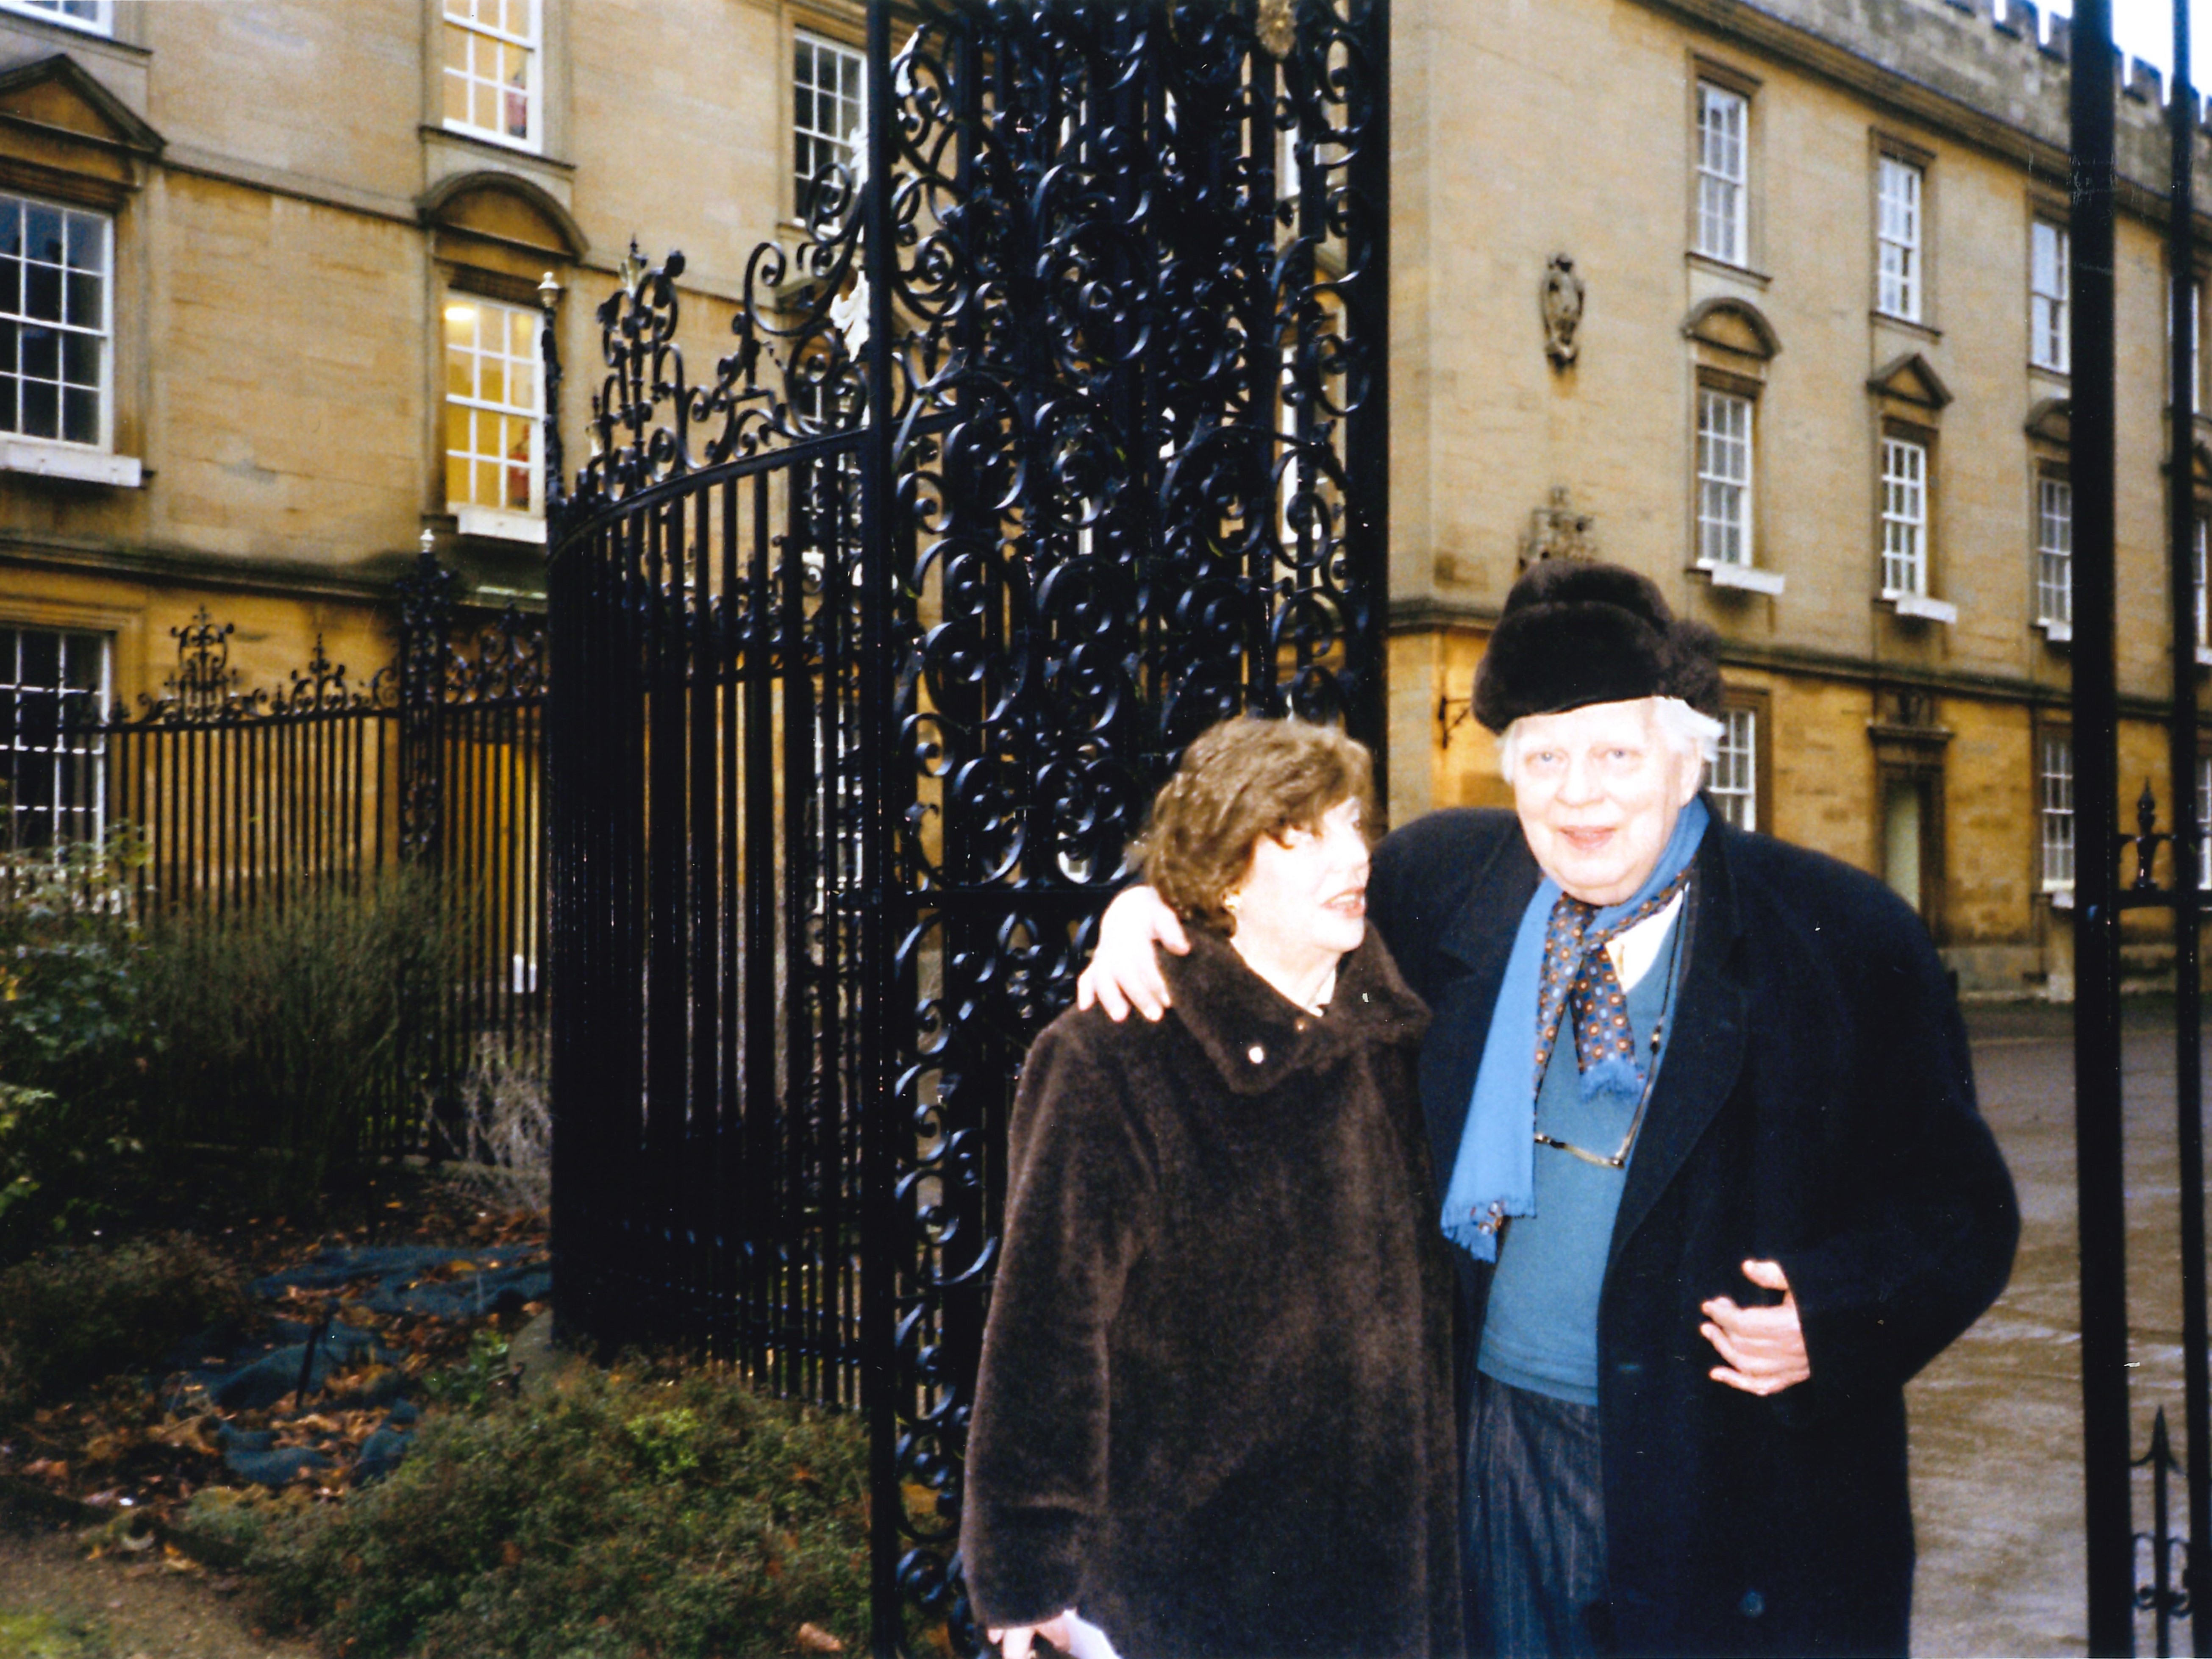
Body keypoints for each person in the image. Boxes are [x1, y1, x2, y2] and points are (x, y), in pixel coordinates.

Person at [1076, 560, 2019, 1658]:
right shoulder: (1440, 882)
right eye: (1545, 757)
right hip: (1491, 1443)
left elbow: (1961, 1213)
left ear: (1686, 761)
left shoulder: (1838, 934)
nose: (1580, 794)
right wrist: (1151, 911)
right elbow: (1270, 913)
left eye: (1616, 754)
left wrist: (1838, 1313)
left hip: (1733, 1468)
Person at [960, 716, 1463, 1659]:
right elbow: (1045, 1327)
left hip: (1389, 1577)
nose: (1352, 856)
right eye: (1301, 834)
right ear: (1226, 873)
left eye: (1352, 824)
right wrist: (1027, 1569)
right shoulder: (1114, 1056)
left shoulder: (1390, 1037)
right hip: (1190, 1585)